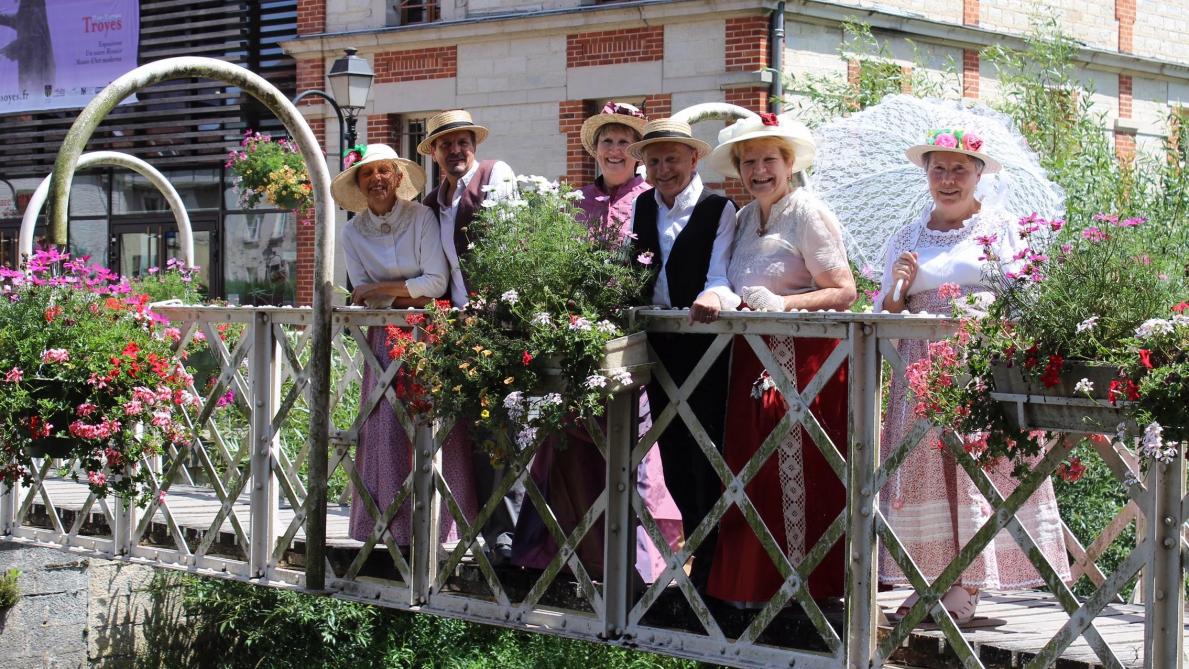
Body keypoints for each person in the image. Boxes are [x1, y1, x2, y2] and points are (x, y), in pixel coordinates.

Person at [879, 129, 1071, 623]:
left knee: (974, 467)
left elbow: (1027, 294)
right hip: (917, 365)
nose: (947, 180)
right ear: (926, 174)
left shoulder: (1002, 227)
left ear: (979, 175)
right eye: (938, 169)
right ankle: (927, 582)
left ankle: (969, 582)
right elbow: (886, 310)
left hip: (977, 362)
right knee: (922, 470)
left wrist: (984, 313)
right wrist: (900, 286)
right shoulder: (907, 235)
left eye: (959, 169)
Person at [513, 102, 684, 583]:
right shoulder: (575, 203)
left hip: (632, 338)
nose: (616, 149)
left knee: (633, 442)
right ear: (595, 150)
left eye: (625, 141)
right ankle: (567, 549)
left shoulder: (649, 199)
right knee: (569, 440)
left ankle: (642, 559)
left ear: (638, 153)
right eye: (607, 141)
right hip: (578, 334)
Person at [699, 112, 856, 605]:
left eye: (769, 160)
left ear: (788, 164)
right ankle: (757, 590)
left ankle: (812, 590)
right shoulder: (744, 218)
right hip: (751, 360)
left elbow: (844, 290)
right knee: (753, 472)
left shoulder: (808, 213)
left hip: (807, 362)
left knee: (801, 471)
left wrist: (785, 303)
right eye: (749, 162)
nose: (758, 171)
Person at [334, 143, 477, 545]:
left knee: (436, 423)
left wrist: (382, 289)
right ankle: (386, 524)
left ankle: (446, 522)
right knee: (385, 426)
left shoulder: (422, 218)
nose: (377, 179)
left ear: (398, 177)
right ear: (359, 184)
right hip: (382, 338)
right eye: (368, 174)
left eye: (384, 171)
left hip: (428, 333)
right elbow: (360, 293)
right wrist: (402, 293)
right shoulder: (350, 232)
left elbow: (437, 285)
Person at [627, 118, 738, 587]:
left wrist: (713, 297)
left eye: (672, 157)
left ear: (694, 159)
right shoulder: (642, 205)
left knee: (707, 453)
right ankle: (696, 559)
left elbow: (719, 276)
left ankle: (714, 567)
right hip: (660, 344)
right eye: (653, 159)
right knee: (671, 452)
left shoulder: (719, 208)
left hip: (705, 346)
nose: (662, 167)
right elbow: (632, 271)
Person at [417, 109, 523, 564]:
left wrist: (490, 304)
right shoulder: (431, 200)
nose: (456, 151)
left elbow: (506, 242)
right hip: (458, 328)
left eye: (462, 142)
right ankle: (476, 526)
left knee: (506, 428)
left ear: (473, 146)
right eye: (446, 144)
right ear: (435, 154)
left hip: (500, 323)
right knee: (471, 432)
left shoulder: (494, 176)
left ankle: (509, 535)